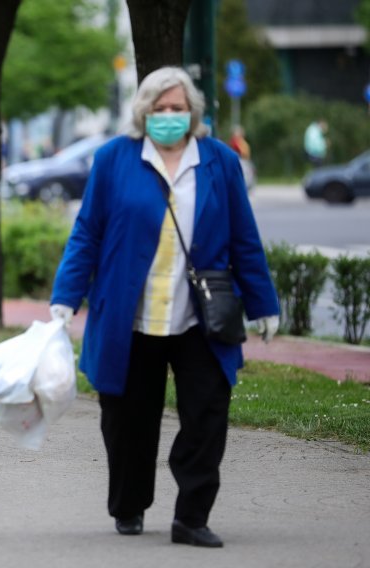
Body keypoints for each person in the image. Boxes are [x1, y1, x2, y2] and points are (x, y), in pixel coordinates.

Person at [49, 67, 279, 548]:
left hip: (200, 315)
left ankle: (192, 517)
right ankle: (129, 504)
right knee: (127, 420)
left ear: (193, 112)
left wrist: (263, 303)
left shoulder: (219, 162)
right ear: (144, 112)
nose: (170, 117)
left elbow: (244, 237)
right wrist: (65, 299)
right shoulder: (115, 158)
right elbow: (87, 233)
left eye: (178, 108)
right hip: (129, 317)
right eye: (160, 109)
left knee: (208, 414)